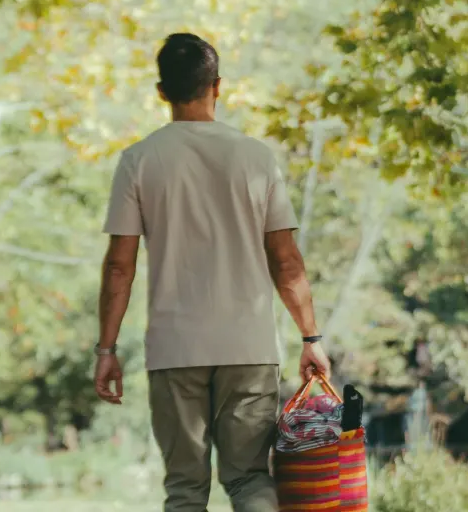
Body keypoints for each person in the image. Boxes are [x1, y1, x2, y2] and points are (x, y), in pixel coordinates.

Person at [94, 33, 330, 512]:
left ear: (161, 91)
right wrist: (310, 337)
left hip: (175, 347)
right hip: (248, 345)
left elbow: (120, 267)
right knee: (248, 479)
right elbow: (286, 261)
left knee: (184, 490)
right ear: (217, 86)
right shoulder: (257, 158)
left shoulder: (138, 161)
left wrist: (106, 348)